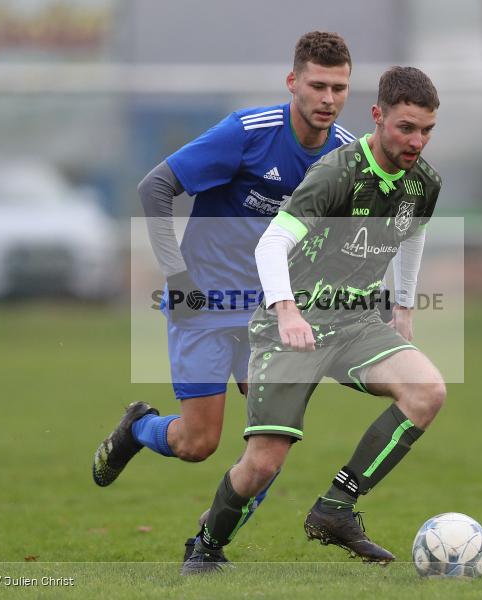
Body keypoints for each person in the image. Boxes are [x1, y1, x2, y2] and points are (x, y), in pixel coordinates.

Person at [91, 32, 354, 550]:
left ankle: (209, 543)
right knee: (198, 443)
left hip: (272, 314)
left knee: (273, 441)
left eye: (339, 88)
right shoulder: (247, 133)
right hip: (206, 305)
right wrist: (177, 276)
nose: (328, 99)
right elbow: (155, 187)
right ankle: (138, 428)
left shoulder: (345, 155)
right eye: (317, 86)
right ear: (293, 82)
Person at [180, 66, 444, 574]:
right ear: (378, 116)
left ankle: (335, 508)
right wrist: (286, 311)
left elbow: (412, 234)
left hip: (355, 323)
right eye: (406, 128)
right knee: (263, 463)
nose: (417, 141)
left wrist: (404, 310)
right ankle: (207, 546)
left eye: (427, 130)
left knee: (427, 391)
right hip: (292, 326)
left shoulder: (424, 183)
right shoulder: (337, 173)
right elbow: (271, 243)